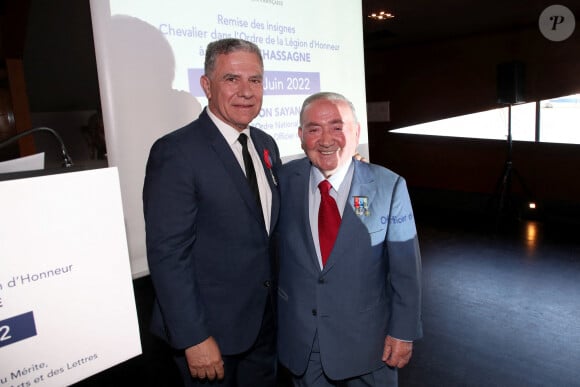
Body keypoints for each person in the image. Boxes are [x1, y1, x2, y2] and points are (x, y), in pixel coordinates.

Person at [143, 38, 280, 387]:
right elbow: (168, 254)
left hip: (263, 327)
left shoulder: (266, 144)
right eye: (232, 79)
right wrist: (193, 337)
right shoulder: (176, 152)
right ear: (206, 85)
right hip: (210, 335)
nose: (247, 91)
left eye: (256, 80)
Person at [275, 92, 423, 386]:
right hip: (306, 344)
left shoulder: (388, 186)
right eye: (314, 129)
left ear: (356, 132)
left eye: (338, 127)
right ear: (301, 136)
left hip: (370, 347)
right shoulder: (283, 180)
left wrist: (403, 331)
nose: (326, 139)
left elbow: (406, 272)